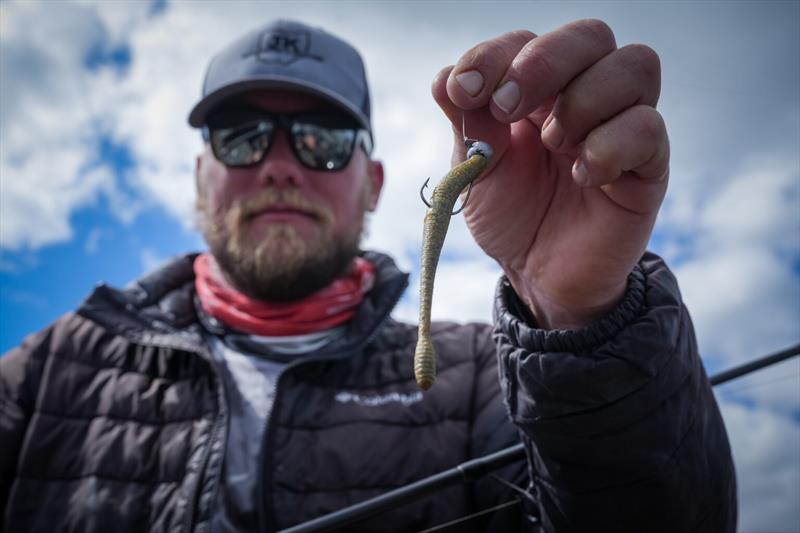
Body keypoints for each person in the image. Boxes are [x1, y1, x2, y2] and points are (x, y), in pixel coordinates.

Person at [0, 18, 736, 533]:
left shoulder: (487, 376)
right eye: (240, 135)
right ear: (202, 173)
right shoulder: (39, 377)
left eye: (321, 140)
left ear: (375, 182)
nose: (281, 164)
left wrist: (581, 319)